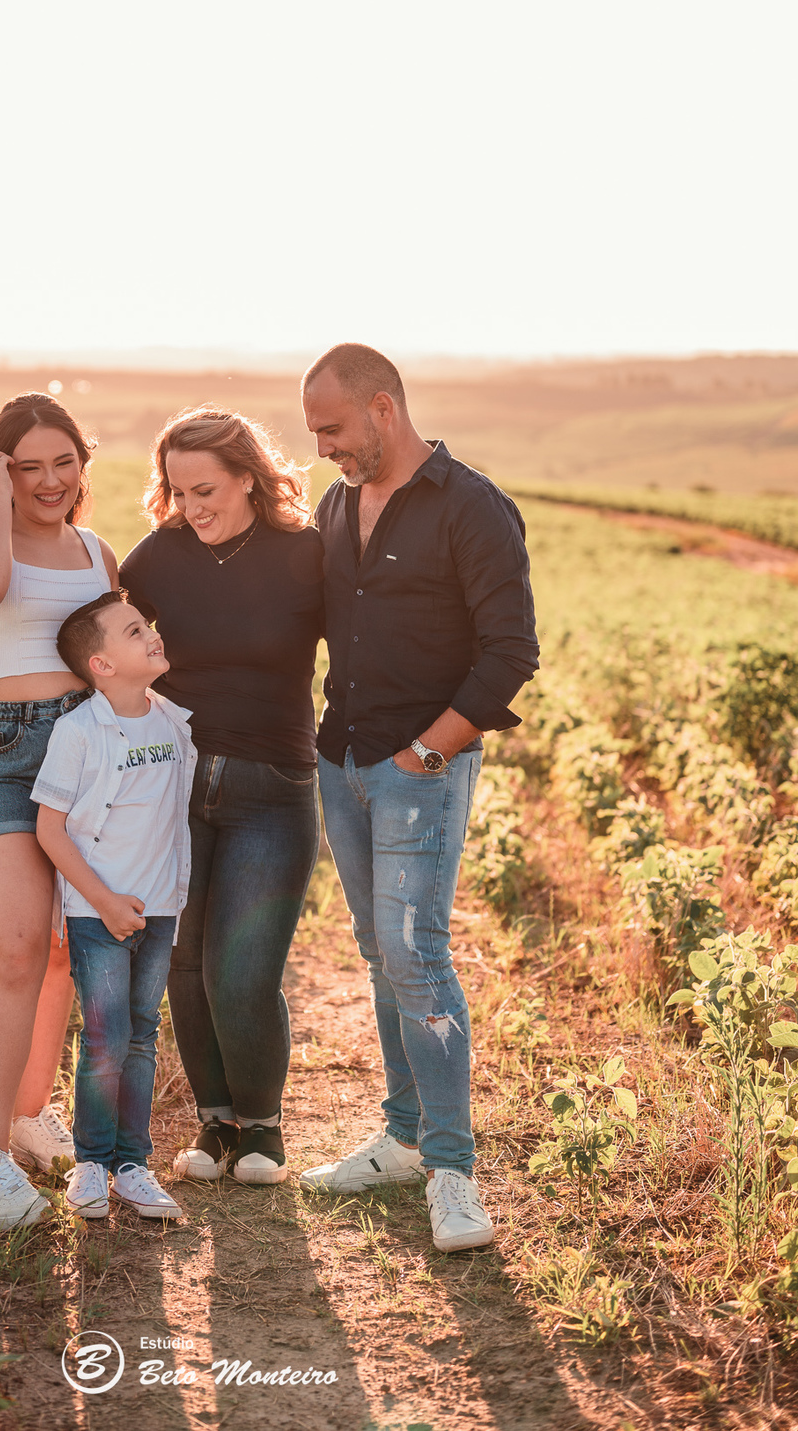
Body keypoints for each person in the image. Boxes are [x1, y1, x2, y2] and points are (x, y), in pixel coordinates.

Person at [298, 343, 538, 1253]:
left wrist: (422, 756)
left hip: (419, 772)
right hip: (343, 762)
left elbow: (510, 653)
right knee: (377, 952)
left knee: (417, 953)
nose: (320, 444)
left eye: (331, 426)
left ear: (383, 409)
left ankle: (452, 1170)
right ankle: (402, 1138)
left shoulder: (471, 507)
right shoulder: (334, 504)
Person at [120, 408, 323, 1186]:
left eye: (204, 489)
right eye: (175, 491)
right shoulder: (163, 554)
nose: (190, 506)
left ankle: (263, 1127)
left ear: (249, 476)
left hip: (273, 788)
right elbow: (100, 630)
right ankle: (215, 1121)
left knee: (242, 970)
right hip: (173, 785)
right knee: (182, 960)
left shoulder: (306, 555)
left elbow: (363, 647)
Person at [0, 393, 119, 1230]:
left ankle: (29, 1110)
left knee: (58, 951)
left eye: (64, 462)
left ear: (83, 463)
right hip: (4, 754)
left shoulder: (95, 550)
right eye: (27, 466)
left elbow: (112, 658)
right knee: (12, 943)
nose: (50, 480)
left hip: (83, 755)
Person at [33, 591, 196, 1221]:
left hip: (157, 910)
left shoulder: (172, 724)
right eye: (134, 632)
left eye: (147, 626)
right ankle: (92, 1163)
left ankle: (134, 1165)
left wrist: (155, 903)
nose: (151, 634)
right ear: (101, 665)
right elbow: (51, 829)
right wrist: (101, 902)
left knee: (142, 1034)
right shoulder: (79, 733)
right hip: (96, 914)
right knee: (104, 1038)